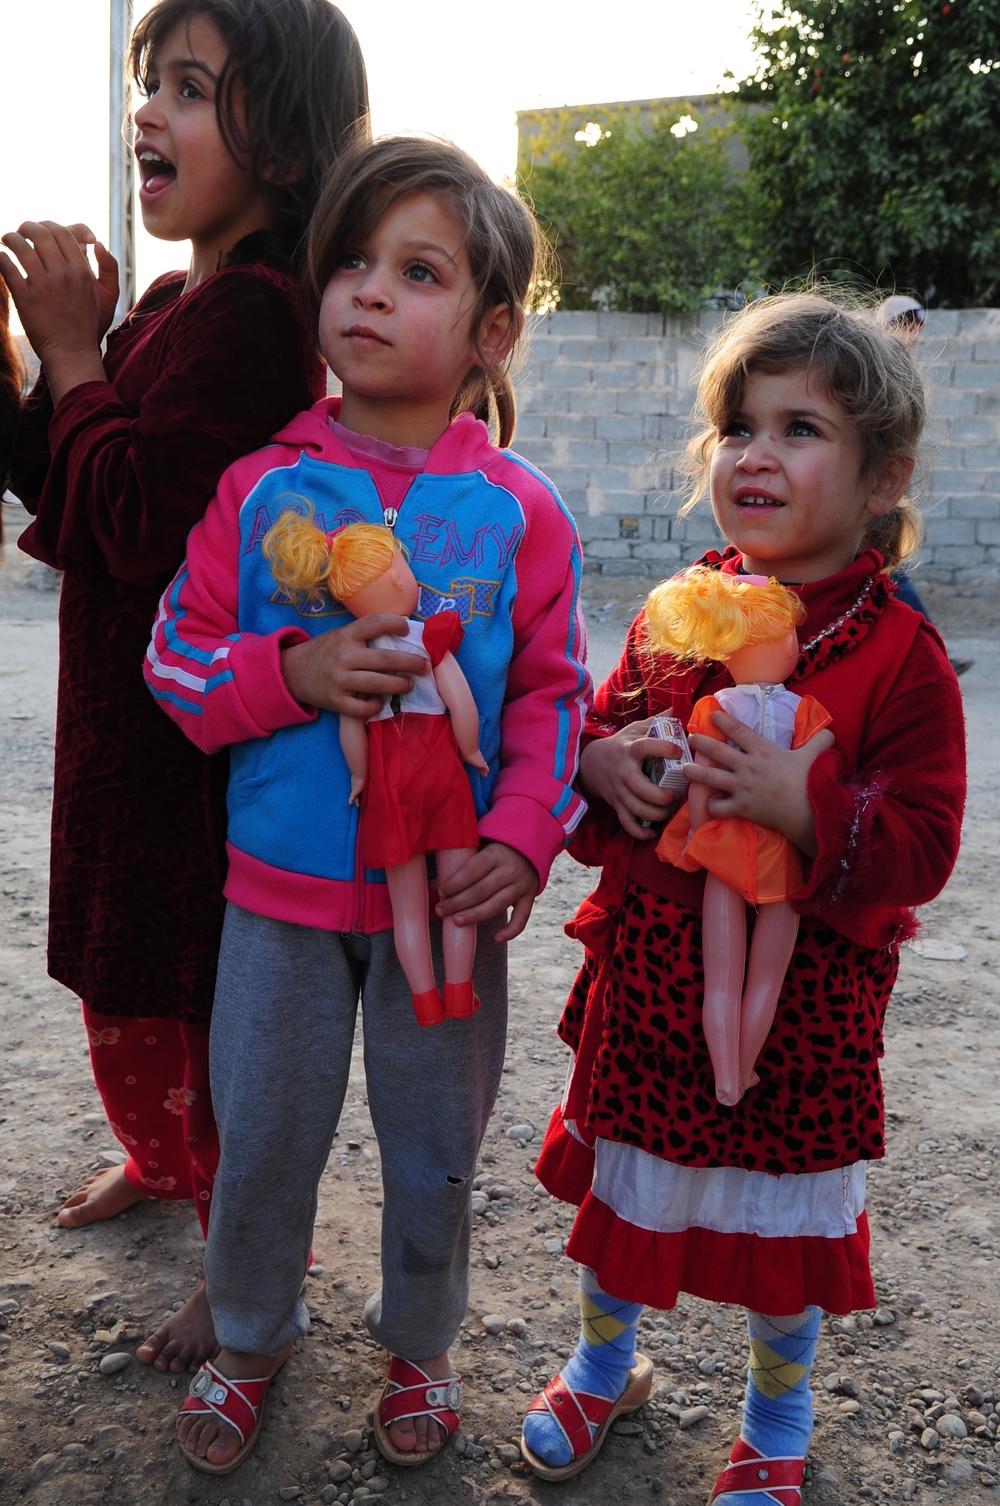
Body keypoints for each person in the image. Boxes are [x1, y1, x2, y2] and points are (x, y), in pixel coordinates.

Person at [143, 135, 590, 1474]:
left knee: (436, 1142)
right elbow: (175, 656)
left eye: (418, 269)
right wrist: (293, 669)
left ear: (493, 329)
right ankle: (249, 1337)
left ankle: (422, 1338)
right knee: (266, 1134)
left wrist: (521, 838)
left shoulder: (522, 512)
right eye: (350, 260)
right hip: (274, 900)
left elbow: (552, 701)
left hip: (448, 904)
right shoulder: (261, 488)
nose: (368, 291)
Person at [518, 291, 966, 1499]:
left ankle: (776, 1415)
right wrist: (603, 766)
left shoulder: (897, 654)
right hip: (654, 989)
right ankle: (605, 1361)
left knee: (782, 1234)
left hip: (805, 1009)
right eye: (737, 426)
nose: (754, 454)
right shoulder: (677, 615)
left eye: (800, 428)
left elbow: (923, 842)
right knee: (626, 1198)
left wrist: (803, 805)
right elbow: (603, 735)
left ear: (884, 481)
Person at [0, 0, 372, 1375]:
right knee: (122, 978)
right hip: (122, 723)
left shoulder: (261, 321)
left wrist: (80, 354)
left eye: (193, 89)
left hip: (193, 742)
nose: (148, 110)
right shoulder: (172, 305)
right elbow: (69, 484)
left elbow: (145, 518)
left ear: (281, 147)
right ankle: (160, 1164)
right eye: (149, 81)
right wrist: (30, 360)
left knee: (200, 1003)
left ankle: (242, 1256)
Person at [264, 517, 488, 1025]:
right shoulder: (430, 638)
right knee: (456, 899)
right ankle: (459, 991)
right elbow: (461, 704)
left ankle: (424, 1002)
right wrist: (471, 751)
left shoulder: (356, 651)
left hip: (387, 773)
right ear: (397, 578)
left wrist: (360, 778)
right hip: (439, 765)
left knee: (407, 907)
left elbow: (352, 728)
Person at [650, 569, 832, 1106]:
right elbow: (821, 753)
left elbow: (703, 788)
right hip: (782, 851)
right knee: (766, 980)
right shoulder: (803, 709)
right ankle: (744, 1071)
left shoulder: (716, 707)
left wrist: (698, 837)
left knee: (722, 980)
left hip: (725, 848)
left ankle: (726, 1079)